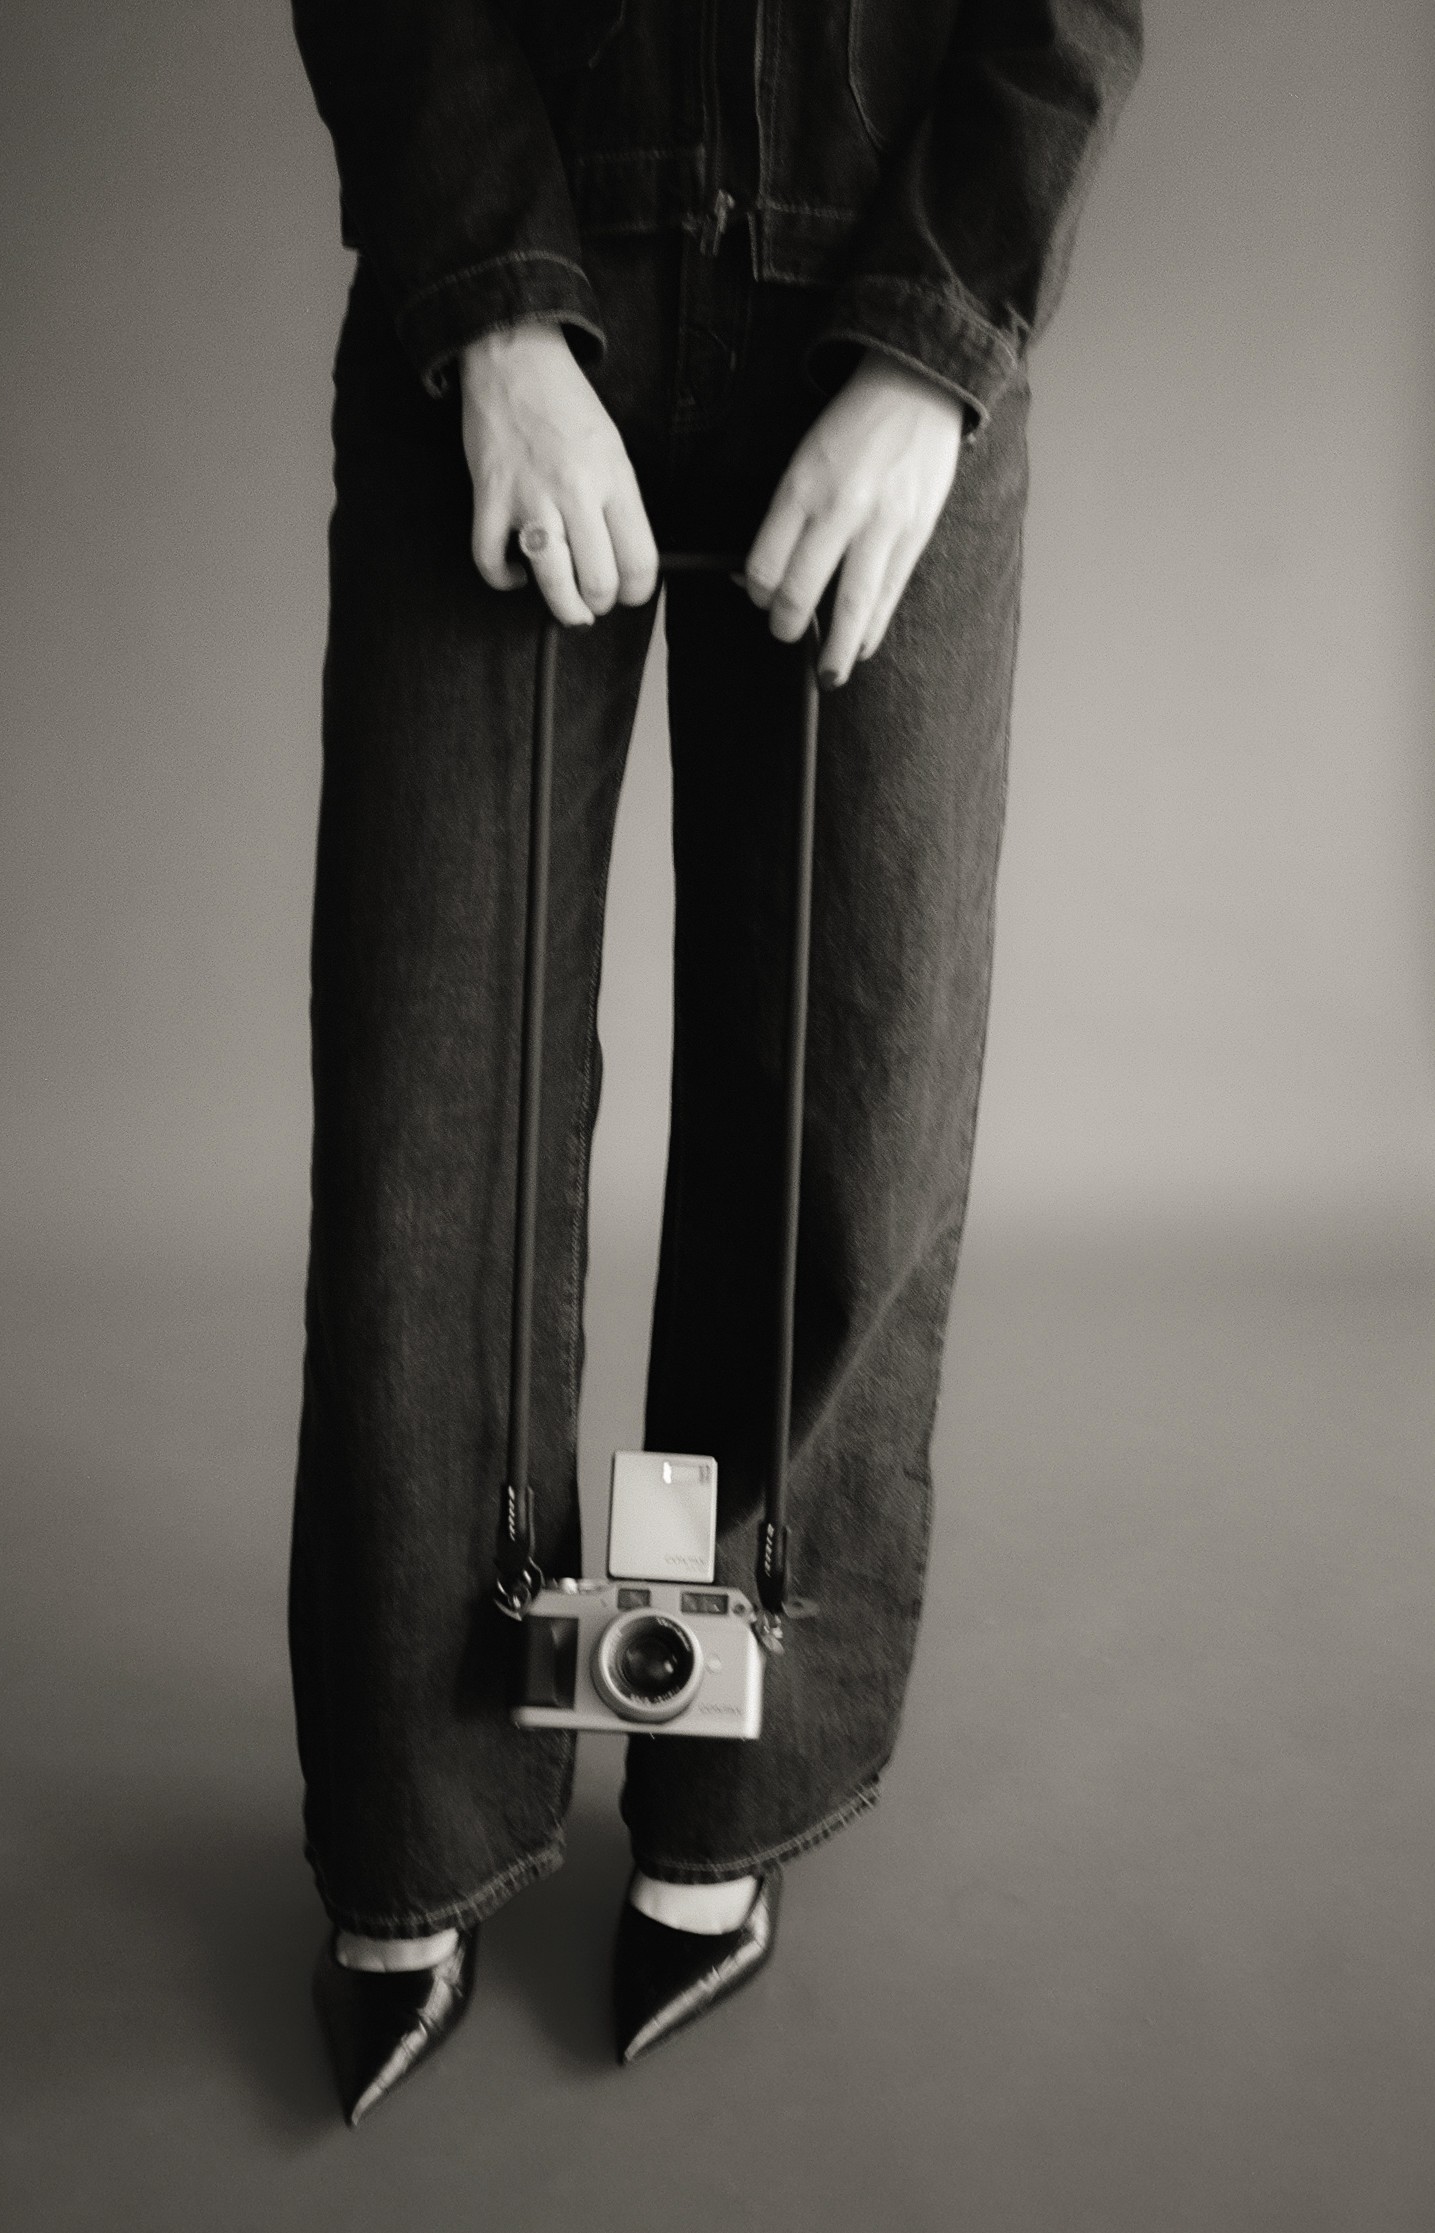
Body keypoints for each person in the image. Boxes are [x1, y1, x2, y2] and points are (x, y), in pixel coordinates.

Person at [286, 0, 1142, 2123]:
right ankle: (427, 1803)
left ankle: (707, 1755)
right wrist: (488, 306)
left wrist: (934, 339)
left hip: (871, 314)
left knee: (833, 1118)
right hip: (503, 311)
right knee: (430, 1135)